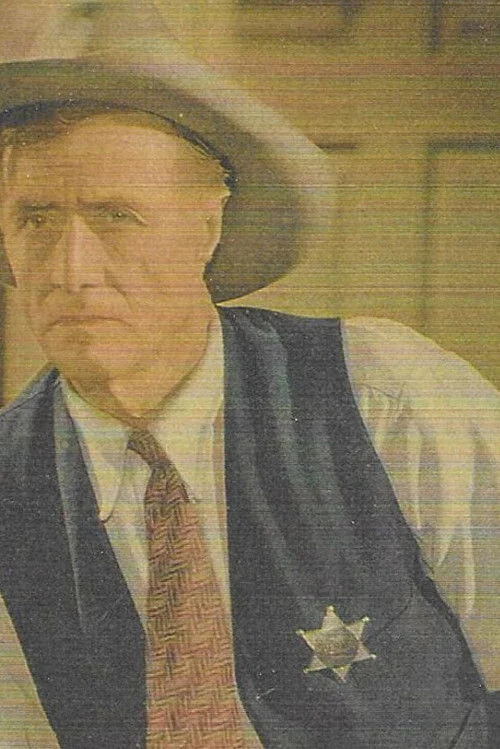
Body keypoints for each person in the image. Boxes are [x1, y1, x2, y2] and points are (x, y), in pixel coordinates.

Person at [0, 39, 498, 749]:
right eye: (35, 220)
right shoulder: (9, 482)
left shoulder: (382, 392)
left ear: (207, 228)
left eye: (117, 216)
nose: (71, 269)